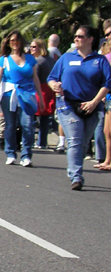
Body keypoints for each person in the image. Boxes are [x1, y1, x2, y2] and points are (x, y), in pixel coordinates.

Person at [47, 25, 111, 190]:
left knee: (82, 144)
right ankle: (76, 176)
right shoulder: (66, 58)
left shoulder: (100, 60)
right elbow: (52, 77)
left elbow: (108, 83)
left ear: (90, 39)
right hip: (68, 104)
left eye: (80, 36)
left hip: (91, 106)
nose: (76, 39)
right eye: (75, 36)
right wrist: (55, 85)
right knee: (75, 141)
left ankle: (74, 167)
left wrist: (95, 102)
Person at [0, 30, 44, 166]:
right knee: (10, 125)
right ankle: (10, 152)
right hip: (9, 95)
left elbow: (35, 78)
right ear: (8, 43)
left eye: (17, 40)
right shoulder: (4, 59)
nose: (15, 43)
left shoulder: (30, 59)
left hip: (27, 94)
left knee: (27, 125)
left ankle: (26, 155)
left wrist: (41, 98)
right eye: (12, 41)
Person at [29, 38, 56, 148]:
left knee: (33, 117)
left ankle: (31, 141)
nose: (31, 49)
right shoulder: (51, 59)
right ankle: (42, 142)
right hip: (49, 90)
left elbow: (35, 78)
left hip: (40, 90)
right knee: (45, 118)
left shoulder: (38, 61)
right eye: (31, 46)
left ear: (41, 47)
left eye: (34, 47)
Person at [93, 19, 111, 171]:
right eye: (106, 35)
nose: (108, 37)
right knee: (107, 131)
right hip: (108, 95)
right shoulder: (105, 55)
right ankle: (107, 160)